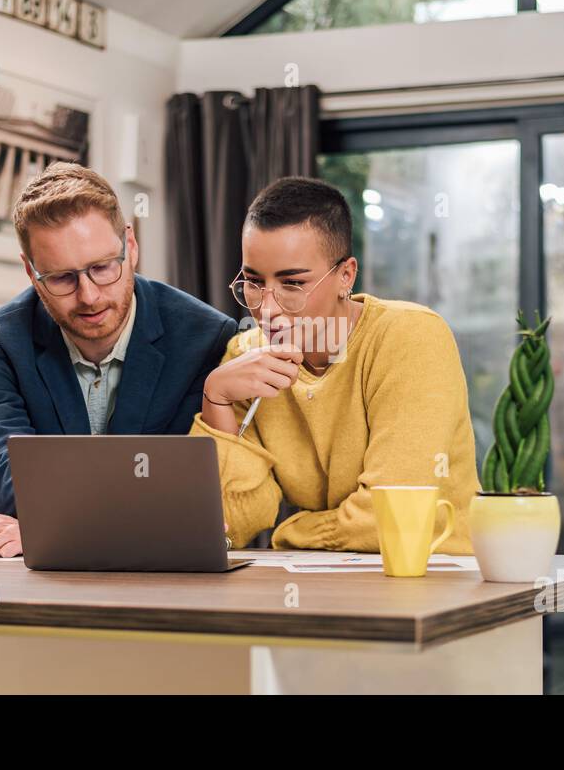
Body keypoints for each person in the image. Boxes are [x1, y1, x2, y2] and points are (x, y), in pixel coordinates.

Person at [0, 162, 236, 556]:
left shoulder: (207, 339)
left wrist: (51, 525)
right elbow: (5, 476)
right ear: (31, 273)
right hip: (47, 594)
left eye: (103, 267)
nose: (88, 296)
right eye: (62, 278)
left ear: (130, 247)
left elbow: (198, 497)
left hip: (172, 584)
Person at [191, 176, 477, 553]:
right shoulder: (246, 358)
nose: (267, 308)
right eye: (253, 282)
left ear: (346, 275)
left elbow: (389, 518)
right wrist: (217, 398)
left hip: (440, 581)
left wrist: (293, 534)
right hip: (321, 585)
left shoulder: (411, 338)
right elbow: (225, 528)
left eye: (292, 283)